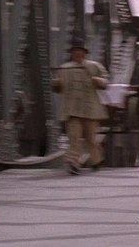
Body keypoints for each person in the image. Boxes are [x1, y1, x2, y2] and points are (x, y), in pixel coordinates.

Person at [51, 39, 110, 175]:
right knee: (74, 137)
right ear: (72, 53)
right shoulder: (64, 69)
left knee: (91, 138)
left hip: (90, 108)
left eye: (79, 51)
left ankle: (95, 160)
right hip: (72, 109)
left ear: (84, 53)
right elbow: (57, 89)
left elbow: (106, 81)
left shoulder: (94, 66)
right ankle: (73, 163)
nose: (77, 53)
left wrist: (98, 80)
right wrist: (56, 84)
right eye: (75, 51)